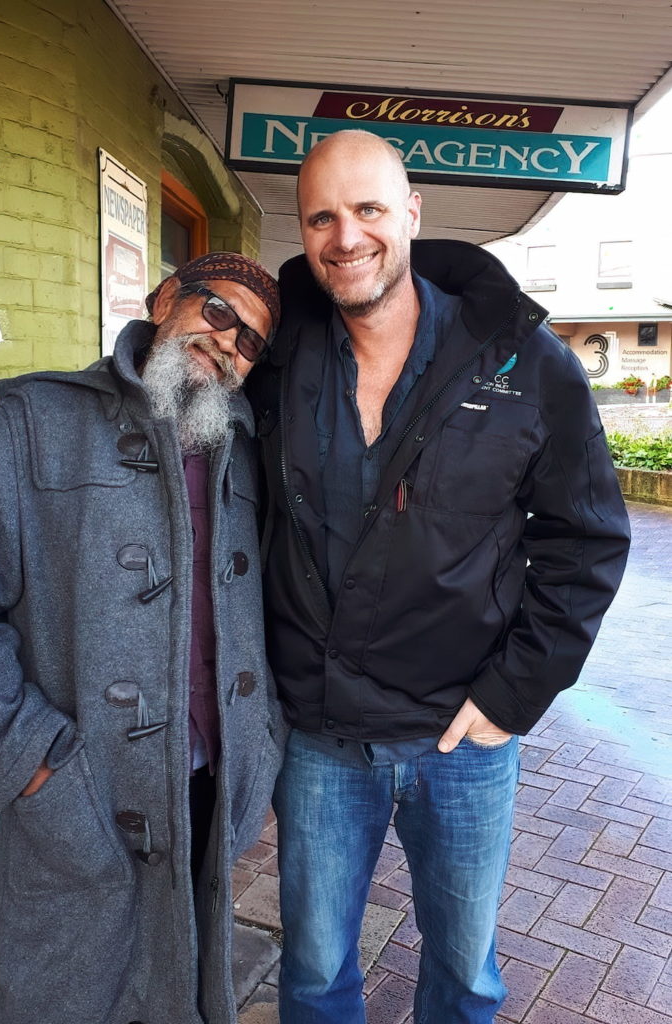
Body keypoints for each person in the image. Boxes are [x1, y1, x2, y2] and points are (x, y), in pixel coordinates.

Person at [249, 131, 631, 1023]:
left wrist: (516, 691)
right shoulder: (278, 357)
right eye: (322, 217)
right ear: (304, 234)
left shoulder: (524, 362)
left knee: (463, 980)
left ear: (412, 213)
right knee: (310, 976)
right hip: (317, 733)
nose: (346, 237)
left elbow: (586, 540)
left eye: (369, 209)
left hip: (462, 737)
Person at [0, 252, 287, 1024]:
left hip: (204, 791)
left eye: (251, 342)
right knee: (66, 998)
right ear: (164, 300)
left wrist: (263, 746)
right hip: (77, 786)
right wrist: (30, 762)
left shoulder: (248, 450)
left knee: (177, 996)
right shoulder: (31, 424)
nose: (228, 343)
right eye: (217, 312)